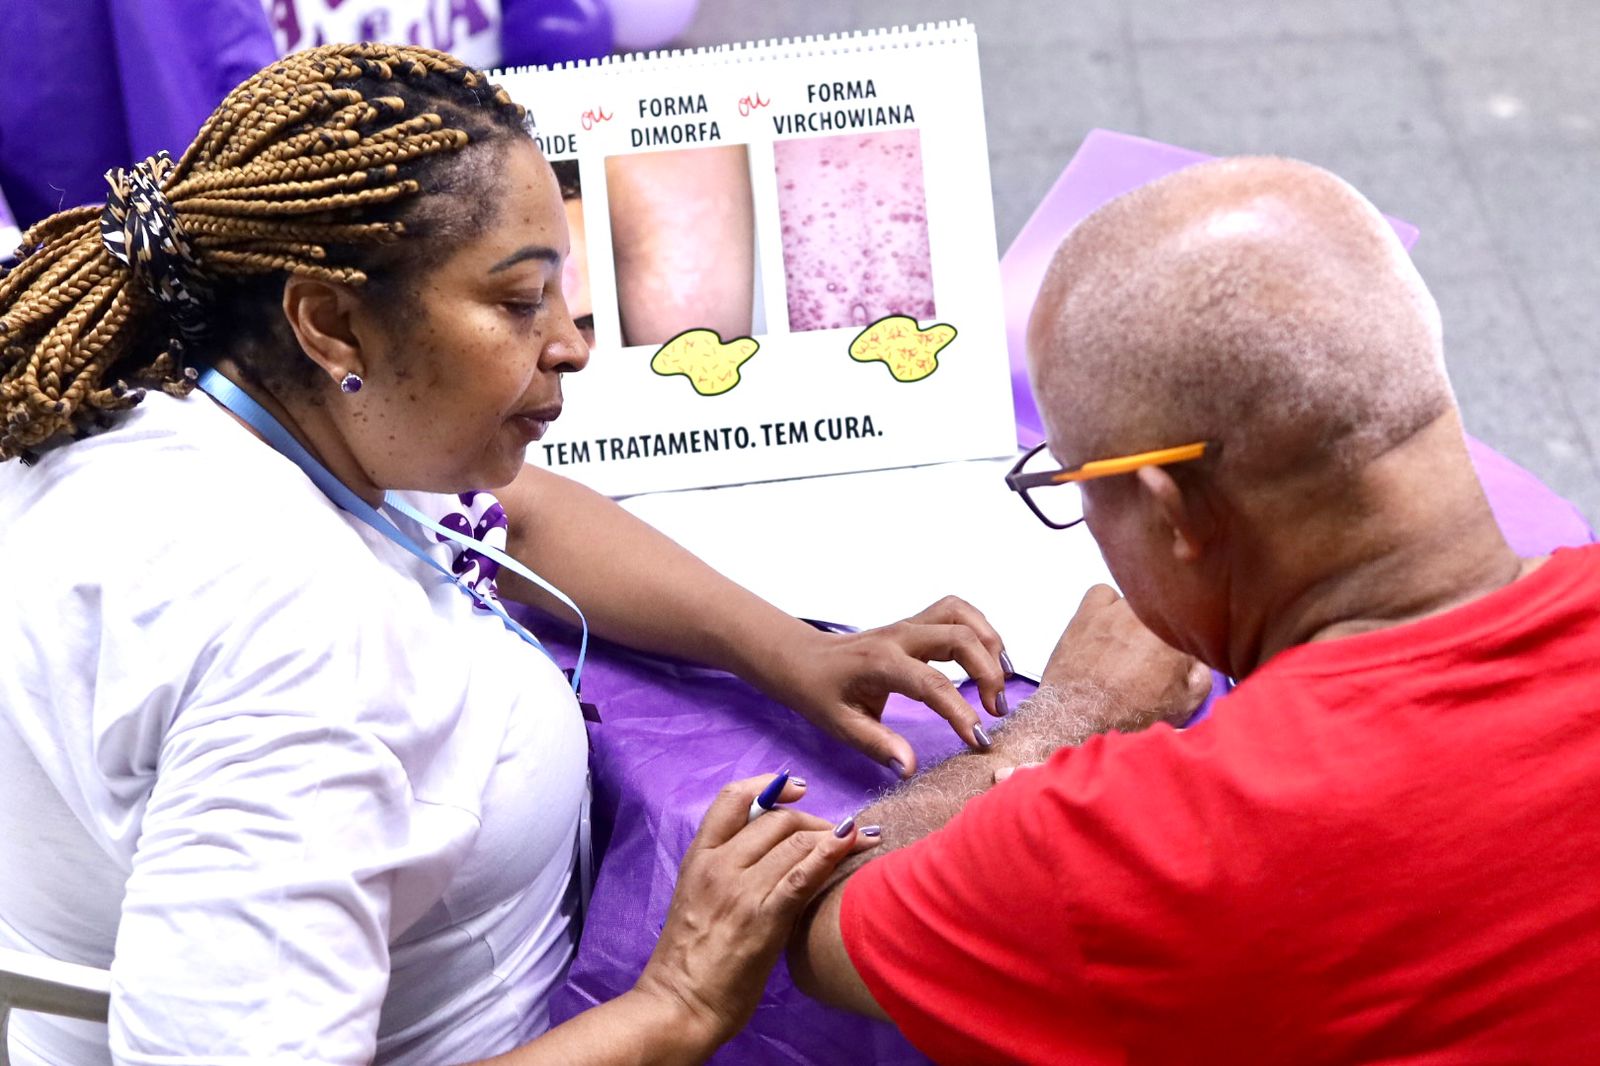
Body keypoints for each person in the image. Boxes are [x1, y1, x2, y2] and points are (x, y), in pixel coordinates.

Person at [0, 44, 1011, 1065]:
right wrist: (676, 1005)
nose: (572, 343)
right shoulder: (307, 656)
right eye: (521, 300)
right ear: (332, 322)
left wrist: (789, 649)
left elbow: (510, 511)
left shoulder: (146, 403)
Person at [788, 156, 1600, 1062]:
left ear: (1170, 510)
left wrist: (1065, 719)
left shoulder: (1152, 843)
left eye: (1072, 484)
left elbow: (814, 916)